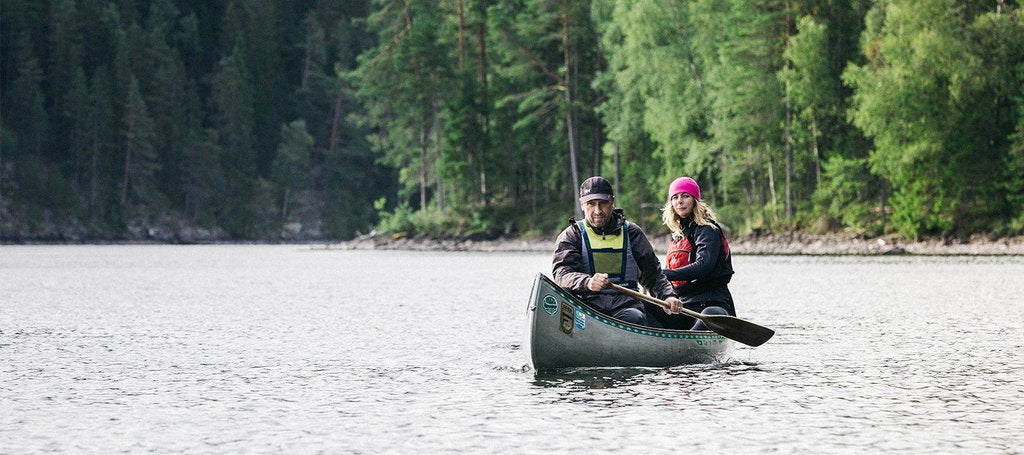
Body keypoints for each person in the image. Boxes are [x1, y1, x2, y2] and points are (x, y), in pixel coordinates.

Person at [552, 176, 684, 326]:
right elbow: (562, 273)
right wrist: (587, 282)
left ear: (612, 203)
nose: (597, 210)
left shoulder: (632, 233)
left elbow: (653, 275)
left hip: (625, 307)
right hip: (586, 307)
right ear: (582, 205)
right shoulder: (572, 235)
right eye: (591, 204)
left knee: (636, 318)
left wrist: (668, 296)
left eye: (603, 203)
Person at [650, 176, 736, 330]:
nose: (679, 201)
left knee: (710, 314)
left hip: (713, 304)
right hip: (684, 305)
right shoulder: (678, 236)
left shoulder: (708, 230)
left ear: (695, 200)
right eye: (675, 197)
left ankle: (686, 343)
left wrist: (664, 274)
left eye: (685, 196)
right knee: (643, 307)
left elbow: (704, 266)